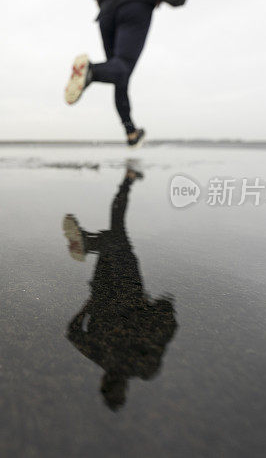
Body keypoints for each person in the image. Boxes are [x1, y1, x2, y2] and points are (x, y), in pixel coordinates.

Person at [63, 164, 177, 411]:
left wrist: (160, 307)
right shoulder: (101, 355)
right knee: (116, 234)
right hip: (104, 290)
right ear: (105, 381)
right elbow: (72, 331)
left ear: (122, 388)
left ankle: (90, 238)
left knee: (116, 237)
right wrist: (89, 304)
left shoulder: (142, 366)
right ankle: (126, 182)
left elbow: (165, 327)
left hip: (127, 290)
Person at [65, 0, 176, 147]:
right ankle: (91, 71)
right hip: (136, 2)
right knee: (122, 67)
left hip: (107, 10)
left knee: (118, 73)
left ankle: (131, 132)